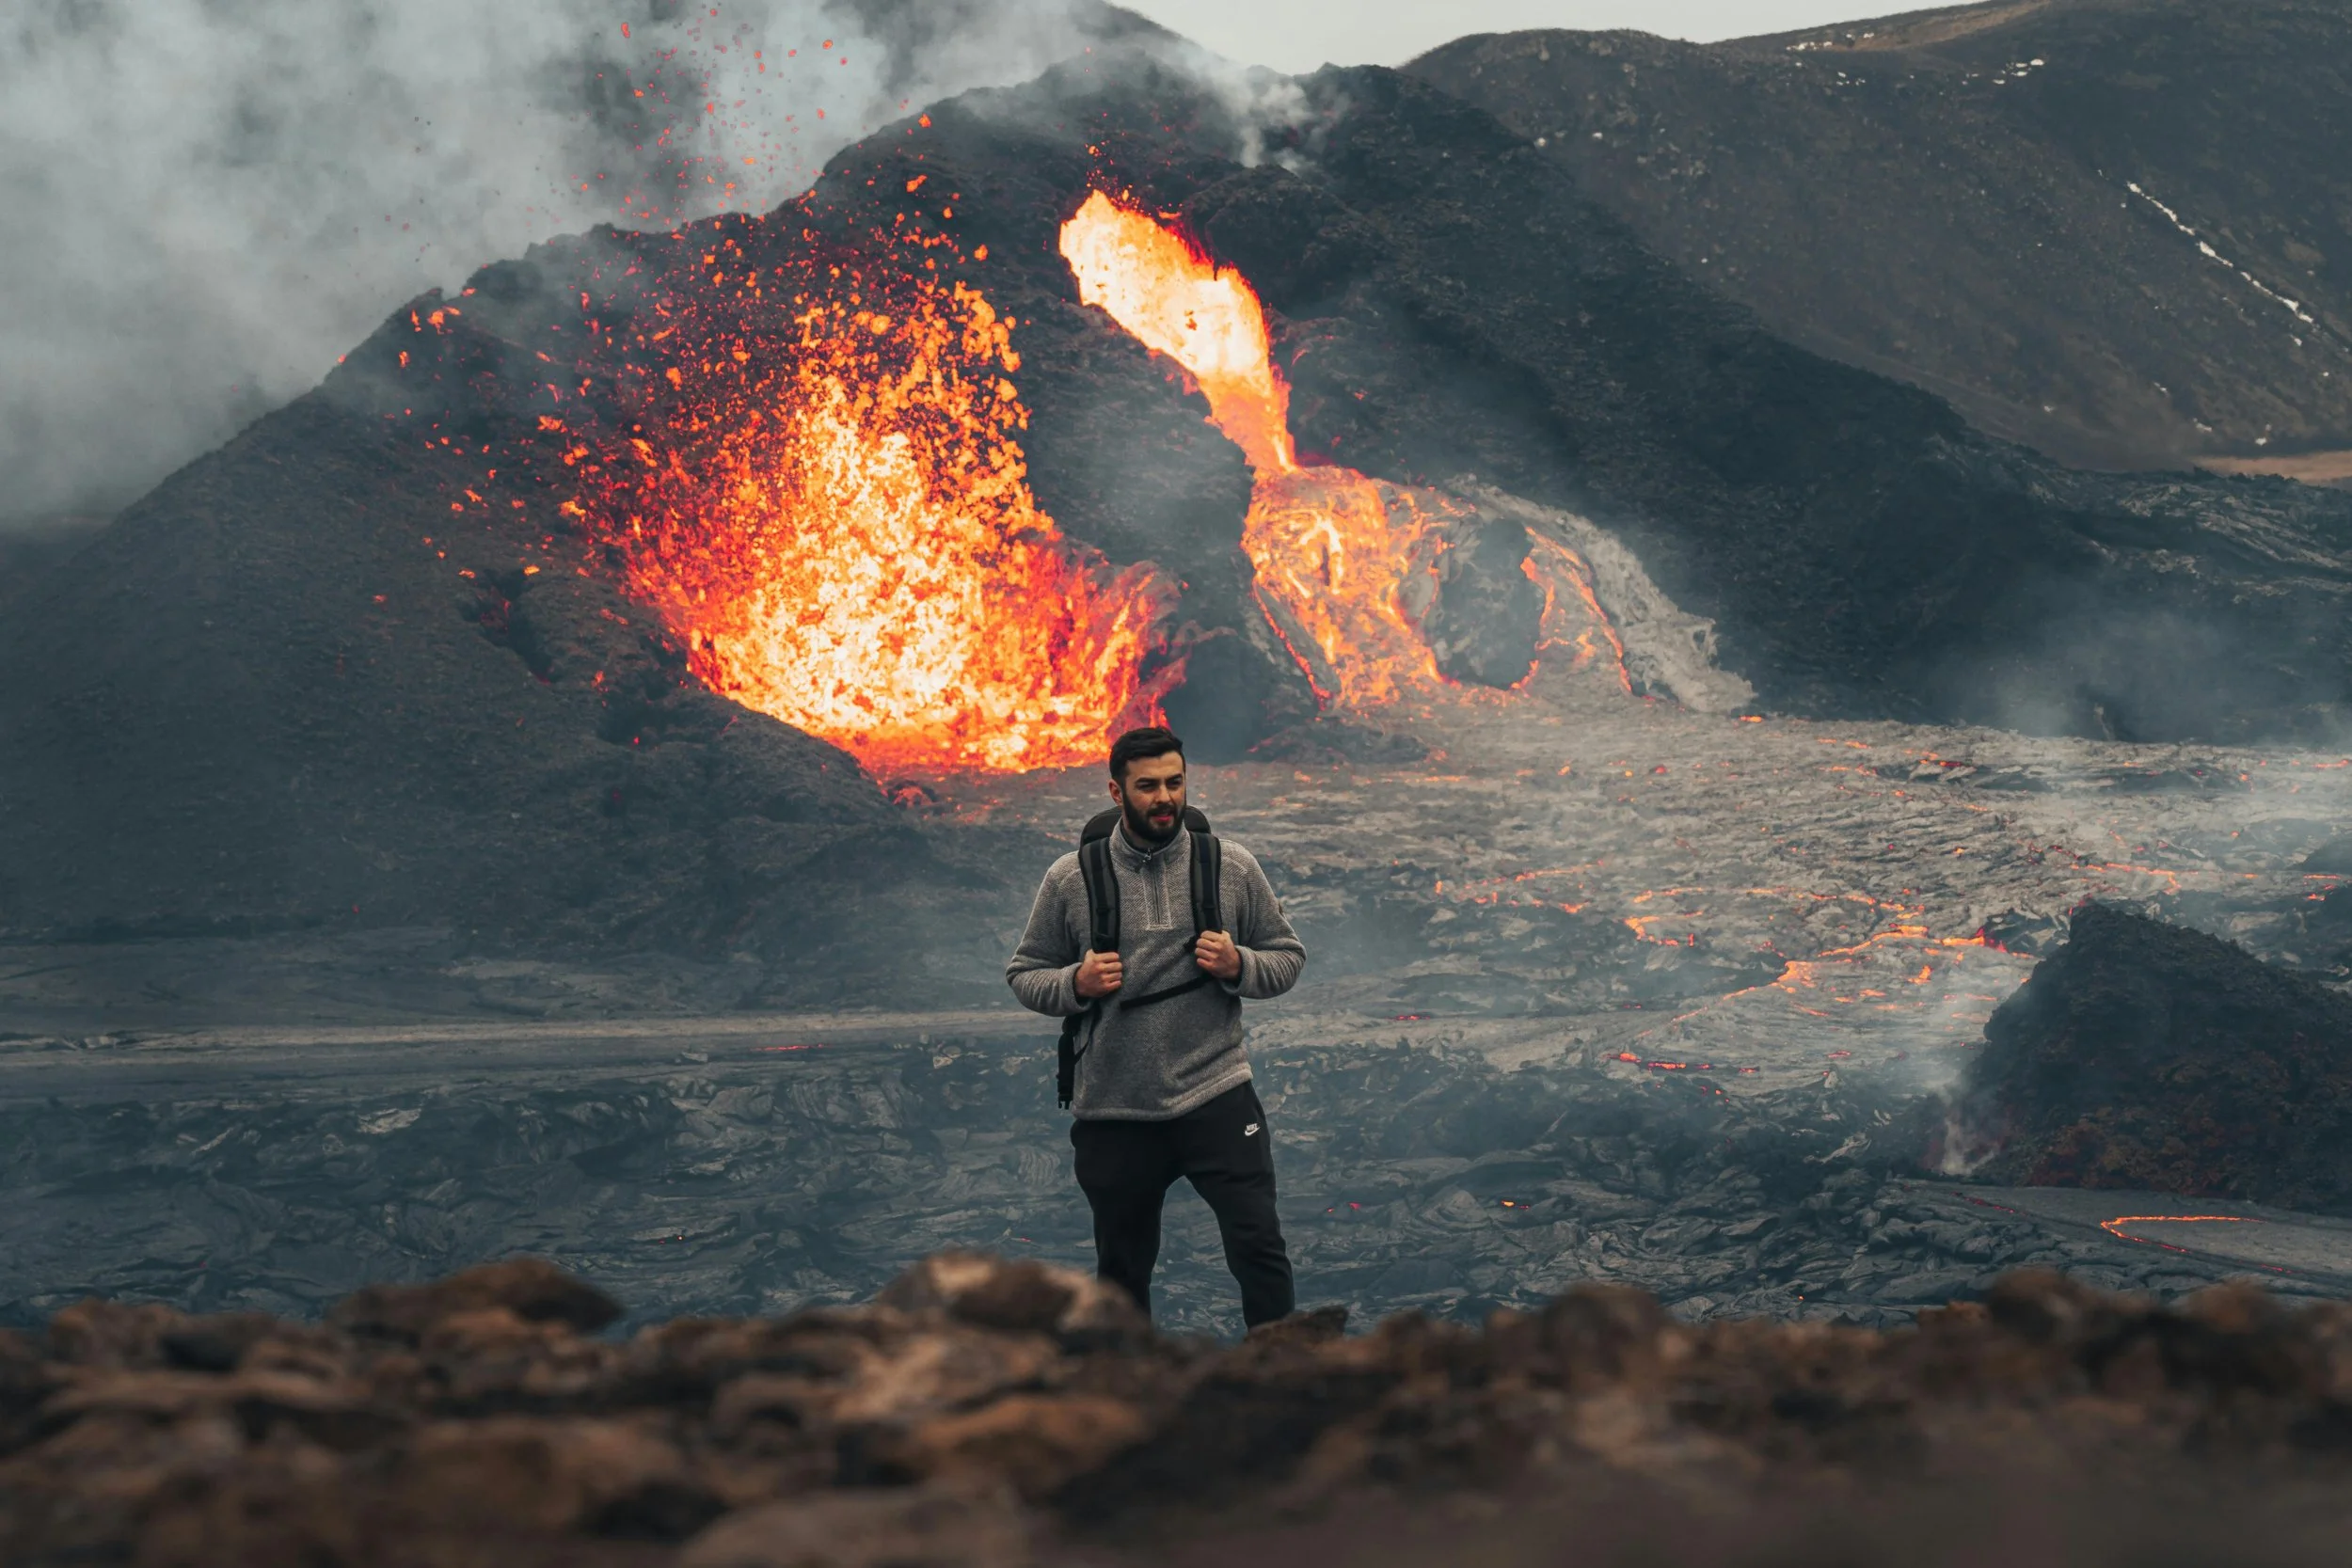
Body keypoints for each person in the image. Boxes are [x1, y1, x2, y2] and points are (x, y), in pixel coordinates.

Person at [1006, 724, 1308, 1328]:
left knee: (1260, 1250)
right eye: (1147, 786)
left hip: (1215, 1093)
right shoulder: (1070, 879)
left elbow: (1287, 957)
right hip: (1116, 1108)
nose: (1164, 797)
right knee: (1121, 1273)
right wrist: (1075, 985)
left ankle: (1288, 1381)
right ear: (1116, 792)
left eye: (1175, 783)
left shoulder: (1231, 867)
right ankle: (1127, 1399)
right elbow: (1024, 972)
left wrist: (1238, 965)